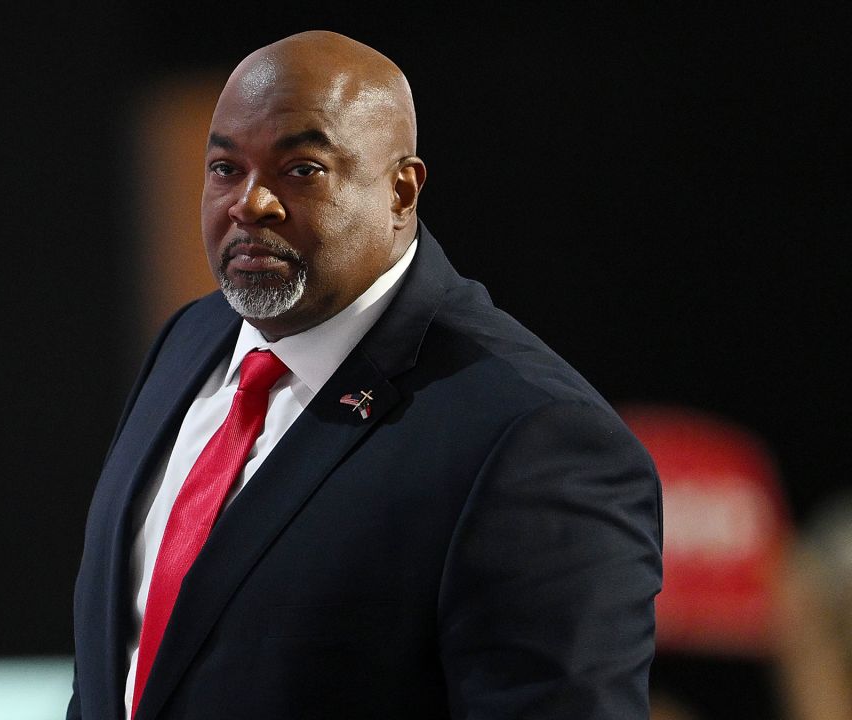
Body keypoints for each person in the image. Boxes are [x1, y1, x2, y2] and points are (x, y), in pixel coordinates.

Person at [68, 30, 663, 720]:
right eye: (226, 169)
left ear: (401, 191)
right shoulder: (188, 340)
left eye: (302, 170)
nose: (249, 203)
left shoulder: (534, 439)